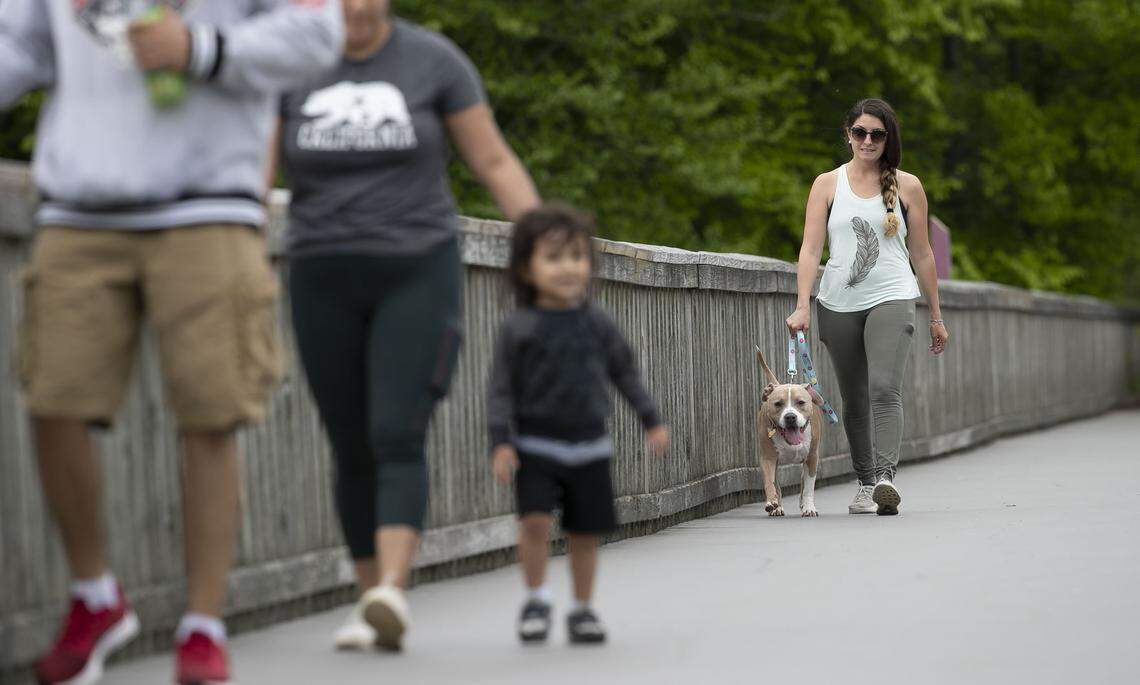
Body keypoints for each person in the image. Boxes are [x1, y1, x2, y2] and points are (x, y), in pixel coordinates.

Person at [0, 1, 344, 683]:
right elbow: (16, 46)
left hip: (208, 203)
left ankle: (203, 625)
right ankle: (94, 595)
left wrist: (202, 49)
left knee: (210, 414)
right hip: (79, 205)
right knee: (52, 395)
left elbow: (317, 34)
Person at [274, 0, 540, 652]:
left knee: (396, 427)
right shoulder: (286, 61)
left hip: (416, 267)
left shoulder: (433, 60)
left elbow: (495, 162)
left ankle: (390, 586)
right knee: (349, 436)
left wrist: (544, 244)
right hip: (318, 270)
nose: (355, 7)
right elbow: (253, 173)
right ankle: (373, 601)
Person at [487, 204, 671, 645]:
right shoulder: (520, 327)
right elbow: (500, 389)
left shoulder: (596, 321)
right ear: (526, 269)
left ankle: (583, 609)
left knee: (583, 533)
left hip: (589, 445)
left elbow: (624, 373)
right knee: (533, 522)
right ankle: (535, 599)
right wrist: (501, 441)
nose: (567, 267)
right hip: (535, 445)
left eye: (576, 256)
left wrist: (651, 419)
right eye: (553, 258)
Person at [786, 98, 949, 517]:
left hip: (892, 295)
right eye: (860, 132)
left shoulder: (908, 186)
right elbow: (809, 249)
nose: (868, 140)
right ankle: (863, 482)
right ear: (848, 135)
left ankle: (885, 479)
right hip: (838, 301)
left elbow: (924, 254)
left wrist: (935, 315)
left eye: (877, 134)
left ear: (888, 138)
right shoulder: (827, 184)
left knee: (883, 388)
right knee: (853, 396)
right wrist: (803, 304)